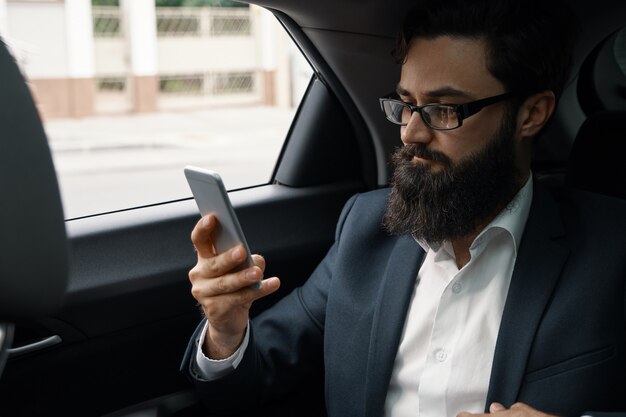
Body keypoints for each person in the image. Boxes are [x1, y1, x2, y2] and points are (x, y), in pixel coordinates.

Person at [180, 0, 626, 416]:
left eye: (444, 109)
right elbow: (252, 378)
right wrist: (225, 329)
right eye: (408, 105)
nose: (411, 133)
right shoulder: (365, 227)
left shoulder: (611, 250)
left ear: (531, 114)